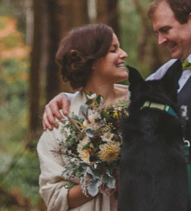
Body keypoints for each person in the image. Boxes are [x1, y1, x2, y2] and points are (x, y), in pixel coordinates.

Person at [44, 0, 191, 211]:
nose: (160, 40)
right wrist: (69, 97)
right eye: (157, 33)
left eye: (165, 30)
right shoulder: (168, 71)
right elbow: (126, 96)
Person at [39, 24, 130, 211]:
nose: (124, 54)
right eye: (113, 50)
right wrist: (104, 180)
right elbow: (54, 197)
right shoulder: (61, 121)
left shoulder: (141, 105)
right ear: (92, 62)